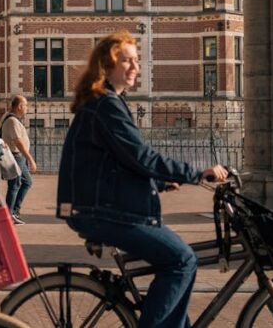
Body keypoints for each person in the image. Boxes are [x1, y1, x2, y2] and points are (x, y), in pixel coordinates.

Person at [57, 30, 228, 328]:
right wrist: (196, 173)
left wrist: (160, 182)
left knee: (177, 263)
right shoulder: (106, 104)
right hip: (101, 212)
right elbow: (142, 157)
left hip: (100, 208)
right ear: (107, 66)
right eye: (127, 60)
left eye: (136, 60)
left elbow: (119, 162)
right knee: (181, 260)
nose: (136, 67)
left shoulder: (108, 101)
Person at [1, 95, 36, 225]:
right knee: (16, 185)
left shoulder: (11, 119)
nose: (27, 108)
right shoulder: (12, 121)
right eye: (26, 105)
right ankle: (11, 213)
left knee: (23, 183)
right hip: (15, 156)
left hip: (17, 157)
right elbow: (18, 142)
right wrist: (30, 159)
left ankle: (13, 212)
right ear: (19, 106)